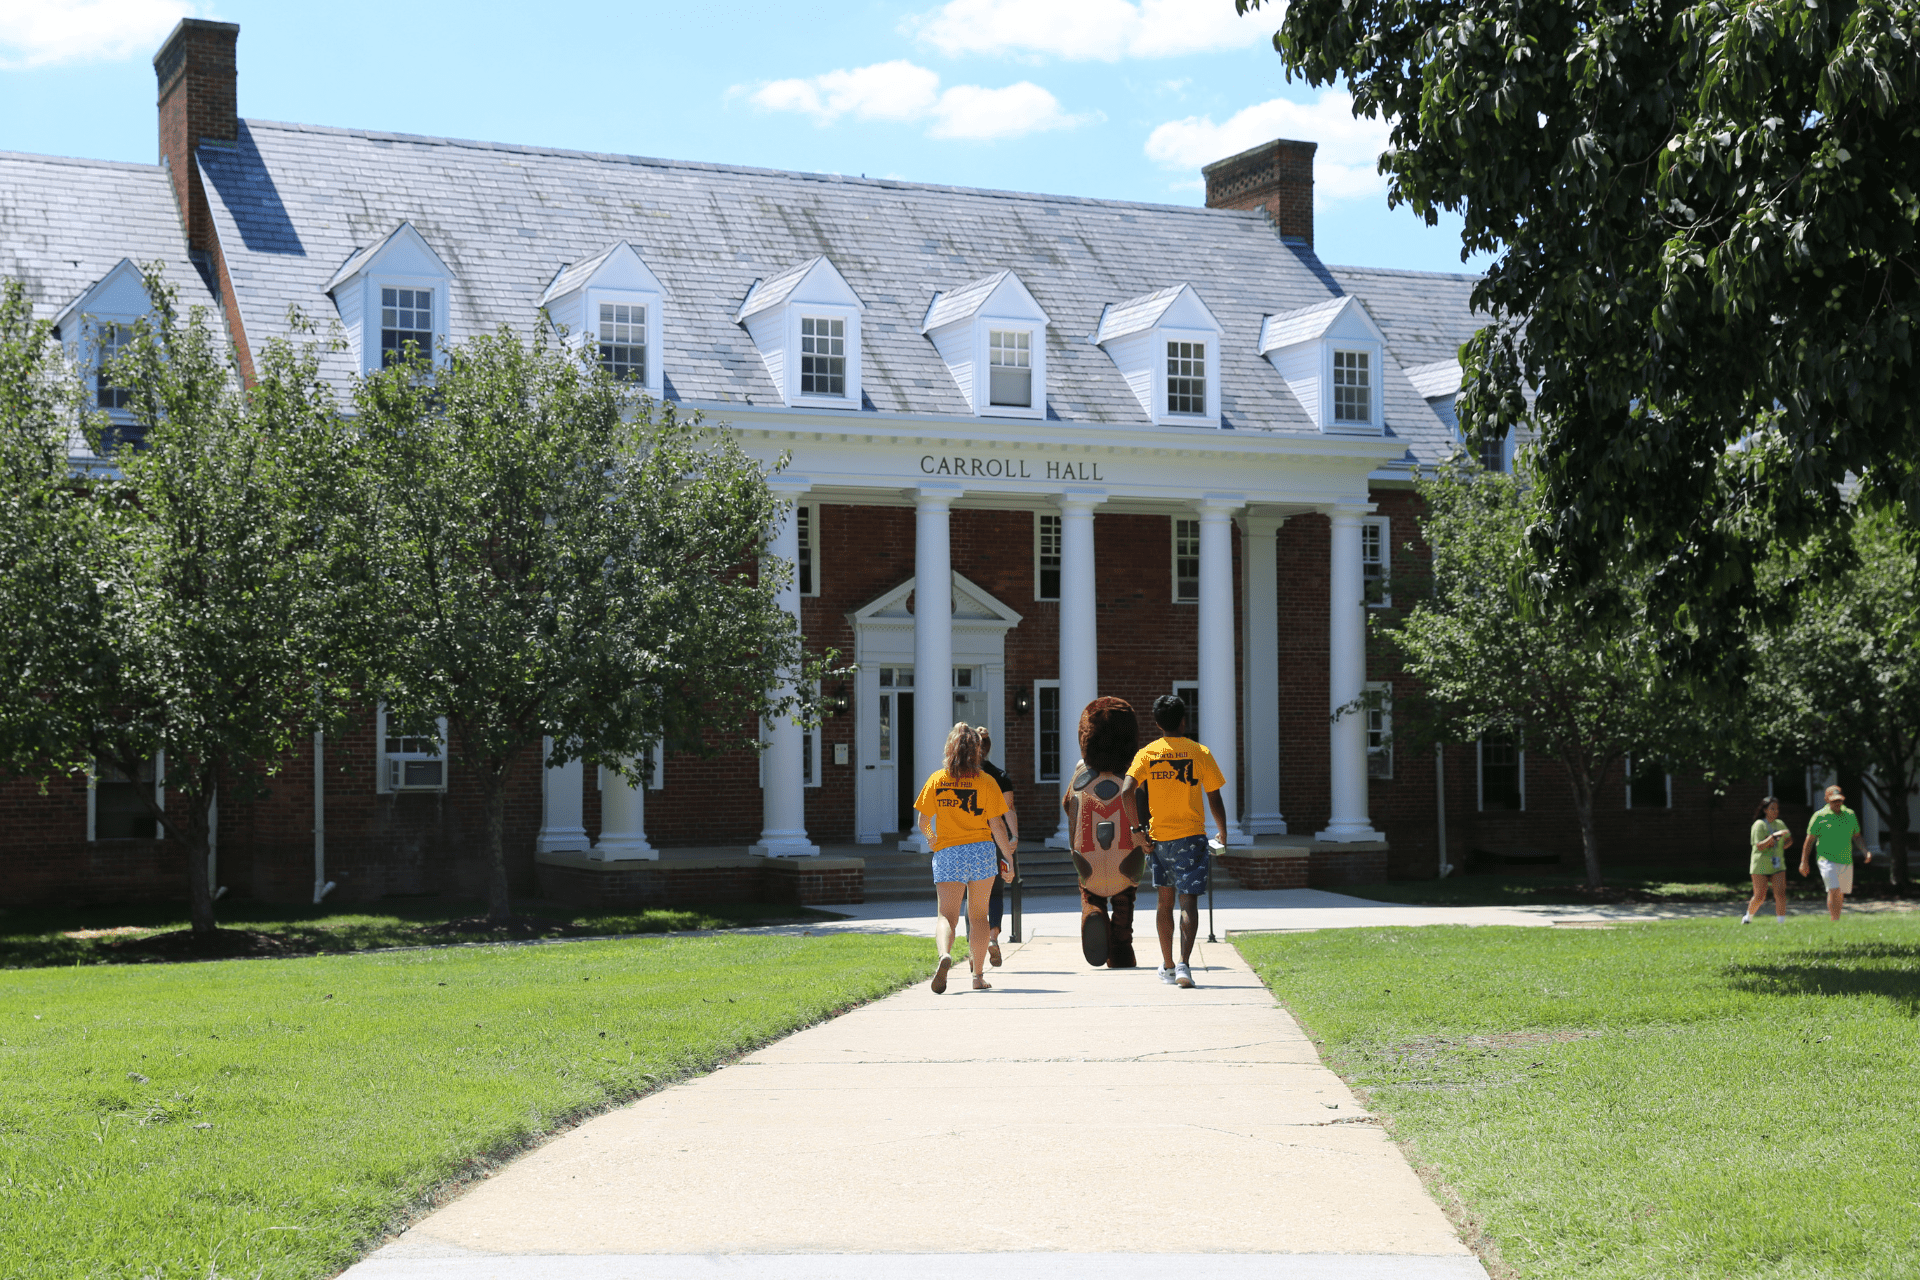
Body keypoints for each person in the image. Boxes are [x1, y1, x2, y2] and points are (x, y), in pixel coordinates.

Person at [1124, 694, 1228, 988]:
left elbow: (1126, 790)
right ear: (1184, 721)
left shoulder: (1148, 753)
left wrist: (1136, 830)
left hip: (1158, 840)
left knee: (1164, 901)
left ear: (1157, 723)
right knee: (1188, 903)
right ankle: (1184, 965)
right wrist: (1222, 831)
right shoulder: (1199, 752)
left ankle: (1168, 965)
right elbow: (1214, 797)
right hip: (1192, 837)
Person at [915, 722, 1017, 993]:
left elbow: (923, 819)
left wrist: (930, 837)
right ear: (977, 751)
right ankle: (977, 976)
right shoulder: (987, 782)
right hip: (981, 852)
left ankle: (944, 956)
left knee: (946, 916)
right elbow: (997, 825)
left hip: (948, 852)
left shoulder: (937, 780)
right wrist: (1008, 859)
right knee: (980, 916)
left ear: (950, 748)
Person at [1061, 697, 1147, 968]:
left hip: (1089, 858)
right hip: (1127, 856)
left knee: (1091, 890)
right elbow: (1146, 806)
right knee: (1125, 899)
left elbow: (1067, 804)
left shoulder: (1080, 774)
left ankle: (1093, 910)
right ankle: (1121, 948)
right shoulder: (1135, 774)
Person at [972, 726, 1017, 967]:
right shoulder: (999, 776)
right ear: (988, 748)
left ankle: (973, 950)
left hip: (969, 841)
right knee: (996, 893)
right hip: (996, 842)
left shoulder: (961, 776)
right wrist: (1014, 836)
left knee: (973, 896)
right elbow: (1008, 810)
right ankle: (992, 939)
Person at [1800, 783, 1871, 921]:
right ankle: (1834, 919)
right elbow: (1809, 840)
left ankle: (1836, 918)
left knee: (1841, 891)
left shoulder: (1850, 814)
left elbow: (1857, 836)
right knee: (1834, 888)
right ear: (1827, 800)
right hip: (1826, 859)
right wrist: (1804, 862)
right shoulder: (1819, 816)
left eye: (1839, 800)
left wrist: (1865, 851)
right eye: (1834, 801)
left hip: (1845, 859)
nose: (1837, 803)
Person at [1744, 796, 1790, 923]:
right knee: (1760, 896)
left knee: (1780, 894)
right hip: (1761, 865)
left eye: (1777, 809)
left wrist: (1784, 844)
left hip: (1777, 864)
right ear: (1765, 810)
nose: (1775, 811)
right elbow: (1759, 846)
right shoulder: (1759, 825)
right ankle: (1748, 917)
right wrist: (1773, 837)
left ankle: (1781, 922)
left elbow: (1789, 840)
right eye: (1772, 808)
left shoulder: (1780, 824)